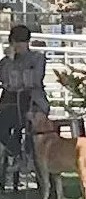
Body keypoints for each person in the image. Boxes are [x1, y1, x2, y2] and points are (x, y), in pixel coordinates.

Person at [0, 25, 49, 167]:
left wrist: (17, 76)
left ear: (27, 42)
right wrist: (10, 62)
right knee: (3, 126)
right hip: (10, 102)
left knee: (31, 124)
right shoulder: (5, 62)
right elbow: (5, 80)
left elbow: (34, 80)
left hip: (33, 101)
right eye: (15, 43)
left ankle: (29, 156)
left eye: (21, 42)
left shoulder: (37, 58)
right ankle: (15, 152)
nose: (18, 46)